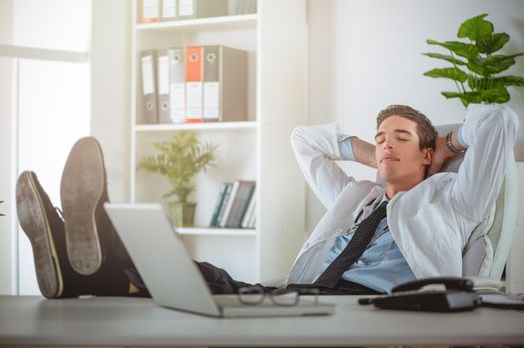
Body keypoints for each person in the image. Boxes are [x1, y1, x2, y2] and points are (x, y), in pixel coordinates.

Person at [16, 104, 518, 299]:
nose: (385, 142)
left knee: (204, 287)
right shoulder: (357, 198)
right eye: (379, 135)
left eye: (401, 137)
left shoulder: (452, 200)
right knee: (199, 277)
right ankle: (84, 261)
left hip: (366, 305)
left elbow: (500, 122)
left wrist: (443, 152)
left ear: (428, 151)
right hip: (301, 295)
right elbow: (304, 139)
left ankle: (88, 253)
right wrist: (377, 157)